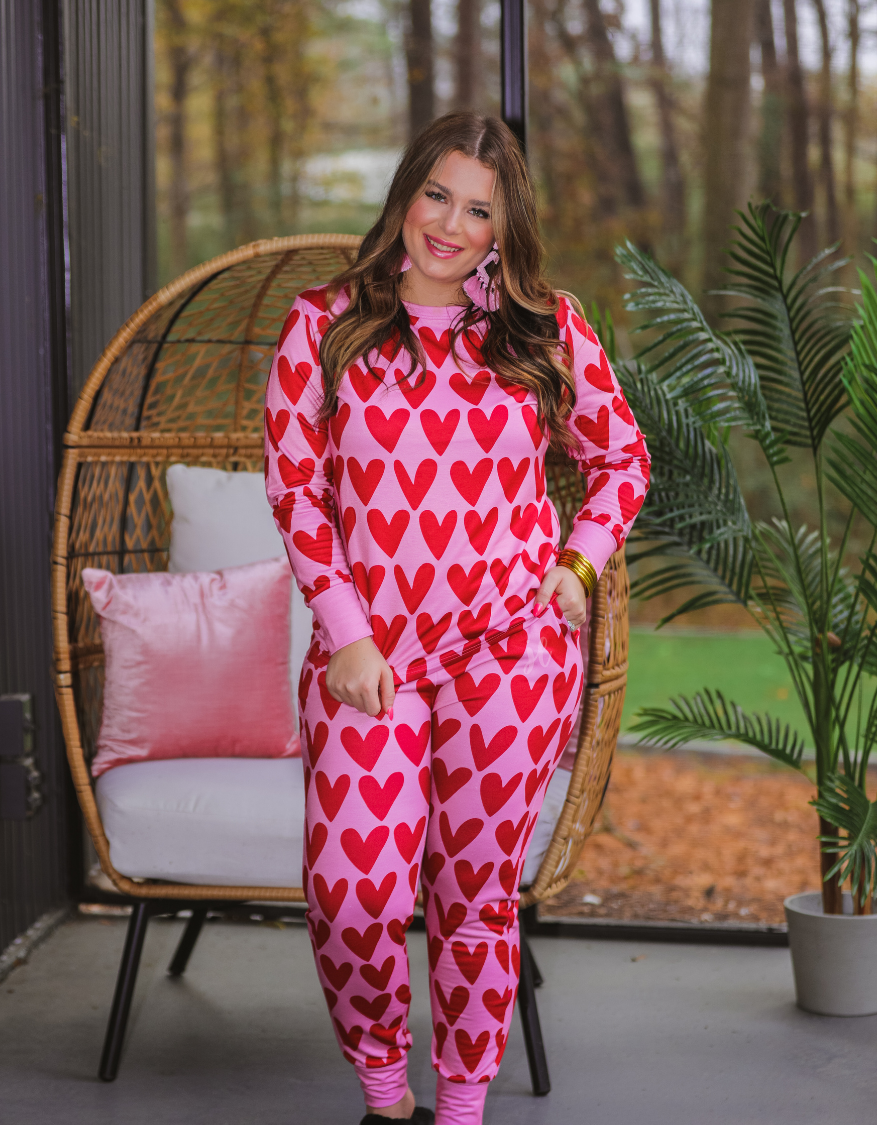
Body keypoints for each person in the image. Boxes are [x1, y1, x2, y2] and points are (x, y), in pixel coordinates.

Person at [264, 111, 649, 1125]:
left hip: (511, 655)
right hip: (370, 658)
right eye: (438, 194)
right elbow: (298, 493)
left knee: (476, 903)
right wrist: (344, 629)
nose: (451, 223)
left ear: (502, 226)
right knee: (355, 895)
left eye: (480, 208)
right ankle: (386, 1097)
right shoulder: (325, 322)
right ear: (406, 193)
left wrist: (578, 565)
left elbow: (623, 463)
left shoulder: (542, 325)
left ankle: (465, 1106)